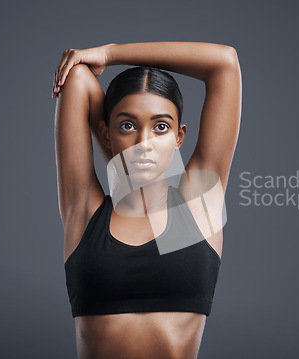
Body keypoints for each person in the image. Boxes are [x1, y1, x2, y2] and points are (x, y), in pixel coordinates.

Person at [52, 42, 241, 359]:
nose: (144, 143)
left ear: (179, 136)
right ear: (106, 132)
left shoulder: (195, 208)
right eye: (128, 125)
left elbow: (224, 63)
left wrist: (111, 54)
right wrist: (117, 155)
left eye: (161, 127)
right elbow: (78, 78)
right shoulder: (85, 213)